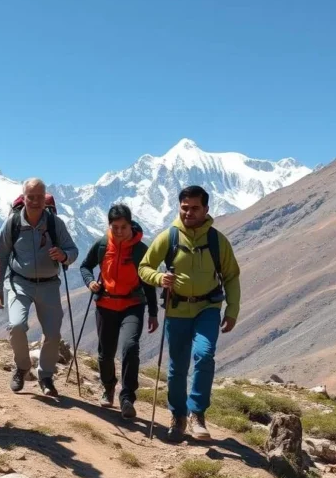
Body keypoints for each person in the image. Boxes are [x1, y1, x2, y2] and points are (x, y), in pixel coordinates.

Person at [138, 185, 241, 442]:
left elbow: (231, 276)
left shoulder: (217, 241)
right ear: (179, 207)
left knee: (204, 355)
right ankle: (178, 415)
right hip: (177, 308)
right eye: (185, 208)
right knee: (177, 367)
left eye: (195, 208)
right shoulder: (169, 237)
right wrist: (160, 277)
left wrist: (233, 309)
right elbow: (144, 267)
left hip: (208, 308)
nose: (189, 213)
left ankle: (197, 413)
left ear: (206, 209)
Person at [0, 178, 79, 397]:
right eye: (30, 197)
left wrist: (64, 256)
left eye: (39, 197)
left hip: (49, 284)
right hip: (18, 282)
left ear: (45, 199)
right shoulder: (12, 223)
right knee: (16, 326)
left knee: (52, 334)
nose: (35, 201)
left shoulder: (55, 224)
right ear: (23, 198)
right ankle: (22, 367)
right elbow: (1, 256)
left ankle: (46, 376)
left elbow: (73, 251)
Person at [78, 203, 158, 418]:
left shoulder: (141, 250)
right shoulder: (103, 244)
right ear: (109, 225)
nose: (119, 231)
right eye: (115, 227)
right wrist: (89, 283)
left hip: (132, 305)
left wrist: (153, 312)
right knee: (105, 354)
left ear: (130, 224)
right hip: (105, 304)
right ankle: (108, 386)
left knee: (130, 347)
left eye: (123, 226)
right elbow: (85, 266)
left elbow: (149, 283)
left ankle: (127, 397)